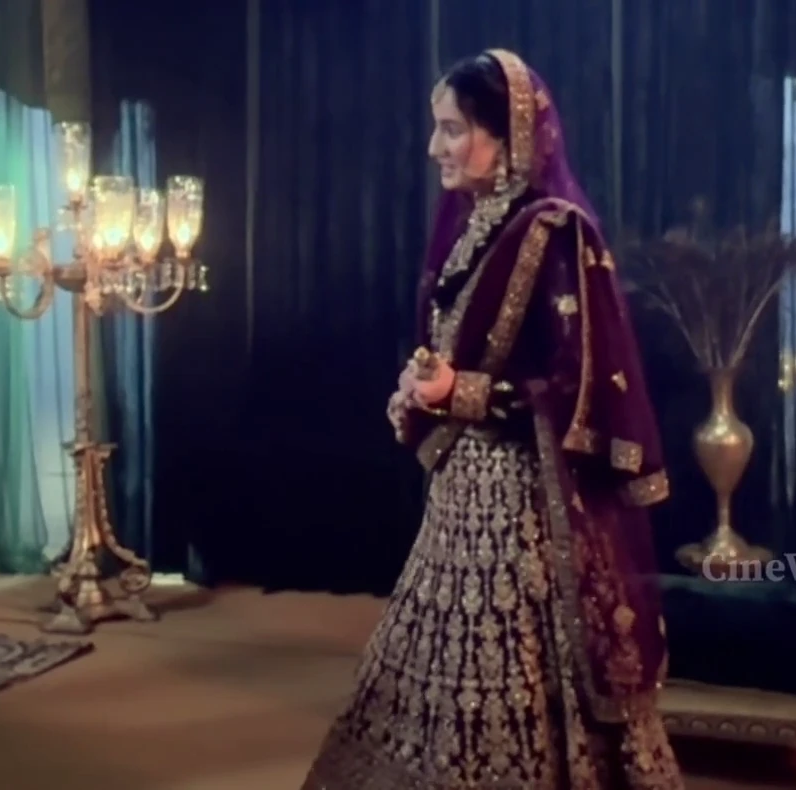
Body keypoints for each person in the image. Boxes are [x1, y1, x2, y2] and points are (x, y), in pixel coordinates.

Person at [302, 50, 683, 790]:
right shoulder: (475, 227)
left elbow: (574, 384)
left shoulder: (556, 231)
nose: (434, 148)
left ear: (506, 137)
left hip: (522, 504)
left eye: (452, 129)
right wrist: (423, 388)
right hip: (459, 495)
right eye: (437, 129)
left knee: (517, 667)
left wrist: (463, 392)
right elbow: (455, 354)